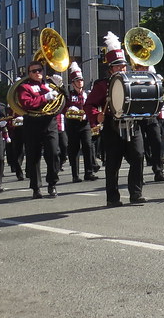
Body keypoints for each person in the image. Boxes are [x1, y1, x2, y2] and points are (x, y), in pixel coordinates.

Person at [85, 32, 146, 206]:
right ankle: (112, 198)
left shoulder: (134, 81)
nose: (122, 69)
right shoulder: (102, 85)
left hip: (133, 125)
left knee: (138, 156)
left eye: (123, 66)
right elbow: (89, 105)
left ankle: (136, 193)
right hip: (113, 127)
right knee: (113, 164)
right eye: (117, 66)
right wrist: (97, 115)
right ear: (110, 68)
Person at [17, 60, 62, 199]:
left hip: (49, 123)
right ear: (29, 73)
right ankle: (36, 187)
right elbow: (27, 103)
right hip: (33, 124)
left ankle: (52, 183)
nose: (37, 73)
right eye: (34, 71)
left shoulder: (50, 85)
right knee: (33, 157)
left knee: (54, 153)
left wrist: (61, 87)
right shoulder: (25, 87)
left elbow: (62, 102)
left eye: (40, 70)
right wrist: (44, 98)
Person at [63, 62, 97, 183]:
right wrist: (71, 110)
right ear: (73, 83)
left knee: (88, 146)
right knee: (74, 149)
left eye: (81, 80)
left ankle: (89, 172)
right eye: (77, 80)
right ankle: (75, 175)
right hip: (73, 124)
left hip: (85, 124)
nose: (80, 82)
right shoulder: (69, 94)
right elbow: (64, 108)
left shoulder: (87, 94)